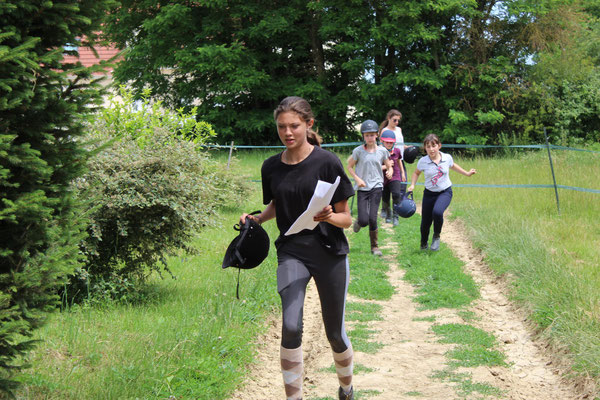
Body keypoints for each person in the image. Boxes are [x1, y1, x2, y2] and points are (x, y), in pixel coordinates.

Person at [240, 96, 356, 400]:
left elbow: (347, 218)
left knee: (334, 333)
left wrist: (331, 216)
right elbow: (278, 203)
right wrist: (257, 219)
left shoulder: (327, 162)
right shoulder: (270, 167)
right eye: (281, 127)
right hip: (291, 251)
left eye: (294, 125)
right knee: (291, 325)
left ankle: (346, 387)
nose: (287, 132)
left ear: (308, 124)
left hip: (329, 252)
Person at [407, 134, 477, 251]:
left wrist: (467, 173)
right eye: (428, 147)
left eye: (433, 146)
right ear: (425, 148)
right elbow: (416, 173)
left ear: (439, 146)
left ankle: (436, 236)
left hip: (445, 192)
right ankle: (423, 243)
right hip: (429, 194)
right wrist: (413, 184)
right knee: (425, 222)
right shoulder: (423, 161)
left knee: (438, 212)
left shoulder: (447, 158)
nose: (431, 149)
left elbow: (453, 166)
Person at [347, 120, 393, 256]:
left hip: (377, 186)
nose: (370, 138)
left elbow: (387, 163)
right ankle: (360, 222)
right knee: (363, 219)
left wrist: (389, 170)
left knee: (372, 218)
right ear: (363, 136)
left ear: (377, 135)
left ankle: (375, 247)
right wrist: (357, 179)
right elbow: (349, 166)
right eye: (367, 135)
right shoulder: (358, 152)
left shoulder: (383, 151)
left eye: (372, 135)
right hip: (362, 188)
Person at [379, 109, 408, 214]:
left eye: (398, 120)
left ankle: (398, 209)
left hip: (399, 158)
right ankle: (385, 209)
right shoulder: (384, 131)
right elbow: (382, 145)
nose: (396, 123)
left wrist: (407, 147)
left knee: (401, 185)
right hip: (388, 159)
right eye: (394, 120)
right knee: (385, 188)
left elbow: (399, 144)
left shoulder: (399, 130)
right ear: (389, 119)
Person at [379, 129, 405, 227]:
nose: (389, 144)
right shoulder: (379, 152)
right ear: (382, 141)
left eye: (391, 142)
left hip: (395, 175)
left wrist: (402, 173)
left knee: (396, 194)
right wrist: (386, 166)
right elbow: (376, 167)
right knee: (385, 196)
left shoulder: (397, 151)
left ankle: (396, 216)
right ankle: (388, 214)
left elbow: (399, 162)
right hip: (383, 177)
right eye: (387, 142)